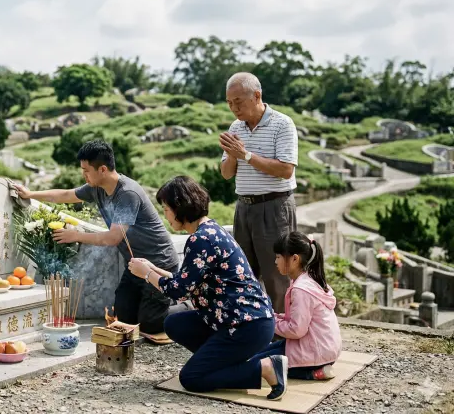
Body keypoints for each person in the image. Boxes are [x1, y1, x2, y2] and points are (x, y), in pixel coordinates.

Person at [127, 175, 289, 400]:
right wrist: (153, 269)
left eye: (166, 208)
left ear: (179, 207)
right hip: (240, 320)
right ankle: (227, 365)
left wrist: (146, 274)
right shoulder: (210, 230)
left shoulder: (200, 239)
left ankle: (265, 367)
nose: (165, 214)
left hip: (246, 326)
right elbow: (186, 281)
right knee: (174, 323)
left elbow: (178, 291)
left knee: (191, 378)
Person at [12, 139, 179, 335]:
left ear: (102, 170)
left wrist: (75, 235)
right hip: (135, 266)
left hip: (159, 264)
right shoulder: (96, 188)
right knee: (123, 319)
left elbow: (113, 238)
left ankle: (187, 304)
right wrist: (30, 194)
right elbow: (66, 194)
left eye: (86, 170)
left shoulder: (127, 194)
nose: (83, 175)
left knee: (152, 324)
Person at [219, 72, 299, 313]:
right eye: (229, 103)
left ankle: (282, 338)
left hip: (274, 208)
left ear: (257, 96)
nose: (233, 108)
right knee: (243, 274)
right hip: (244, 207)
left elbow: (285, 169)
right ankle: (252, 333)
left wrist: (246, 155)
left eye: (238, 102)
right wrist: (233, 154)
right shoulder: (236, 127)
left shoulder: (282, 124)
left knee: (278, 277)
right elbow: (226, 173)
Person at [251, 232, 342, 381]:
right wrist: (272, 317)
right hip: (324, 348)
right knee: (261, 352)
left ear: (294, 259)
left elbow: (296, 330)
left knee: (256, 363)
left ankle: (312, 373)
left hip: (315, 353)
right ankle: (318, 368)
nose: (275, 261)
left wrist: (270, 322)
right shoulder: (308, 279)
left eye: (278, 257)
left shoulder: (301, 289)